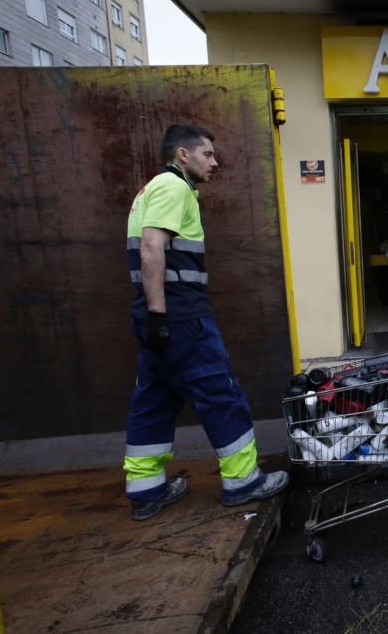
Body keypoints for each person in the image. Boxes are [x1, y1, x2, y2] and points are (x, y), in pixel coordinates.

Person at [124, 124, 289, 521]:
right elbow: (151, 247)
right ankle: (243, 481)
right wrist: (162, 314)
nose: (214, 162)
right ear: (183, 154)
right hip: (181, 315)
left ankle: (145, 489)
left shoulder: (150, 190)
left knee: (154, 398)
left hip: (158, 314)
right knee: (220, 391)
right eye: (208, 154)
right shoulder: (173, 187)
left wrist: (153, 317)